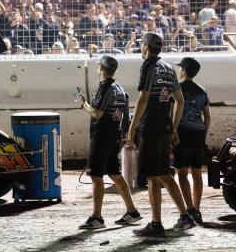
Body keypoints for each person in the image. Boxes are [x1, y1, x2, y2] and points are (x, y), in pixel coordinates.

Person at [126, 33, 195, 236]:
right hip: (164, 128)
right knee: (163, 173)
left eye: (141, 45)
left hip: (150, 128)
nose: (141, 48)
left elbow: (143, 99)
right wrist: (173, 128)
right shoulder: (168, 67)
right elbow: (179, 101)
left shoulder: (148, 66)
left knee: (153, 177)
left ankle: (156, 224)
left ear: (146, 47)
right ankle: (185, 215)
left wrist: (132, 127)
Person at [77, 56, 141, 229]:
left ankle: (97, 217)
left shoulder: (105, 87)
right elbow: (125, 117)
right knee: (115, 174)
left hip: (102, 136)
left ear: (102, 69)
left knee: (96, 176)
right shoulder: (120, 89)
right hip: (115, 135)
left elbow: (97, 113)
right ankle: (132, 211)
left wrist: (84, 104)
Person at [173, 57, 210, 225]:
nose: (179, 70)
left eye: (180, 68)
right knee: (197, 172)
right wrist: (203, 135)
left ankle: (189, 209)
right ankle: (197, 209)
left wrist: (172, 131)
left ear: (184, 71)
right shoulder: (202, 90)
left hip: (183, 133)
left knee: (182, 172)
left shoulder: (178, 89)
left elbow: (173, 113)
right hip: (199, 133)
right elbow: (207, 117)